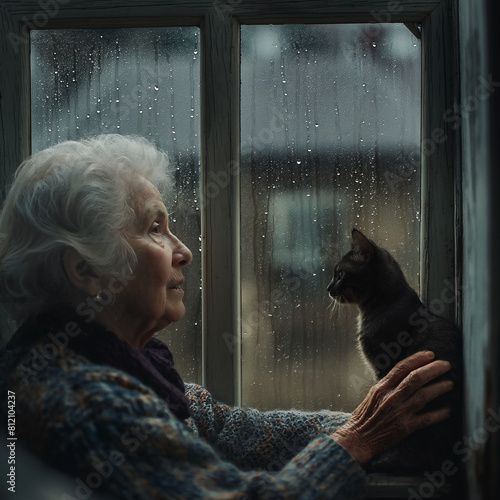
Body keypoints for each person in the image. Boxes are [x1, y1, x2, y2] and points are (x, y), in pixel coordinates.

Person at [0, 135, 453, 499]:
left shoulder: (122, 368)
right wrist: (355, 441)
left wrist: (382, 424)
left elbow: (235, 430)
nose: (185, 251)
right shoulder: (84, 404)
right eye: (155, 228)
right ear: (85, 270)